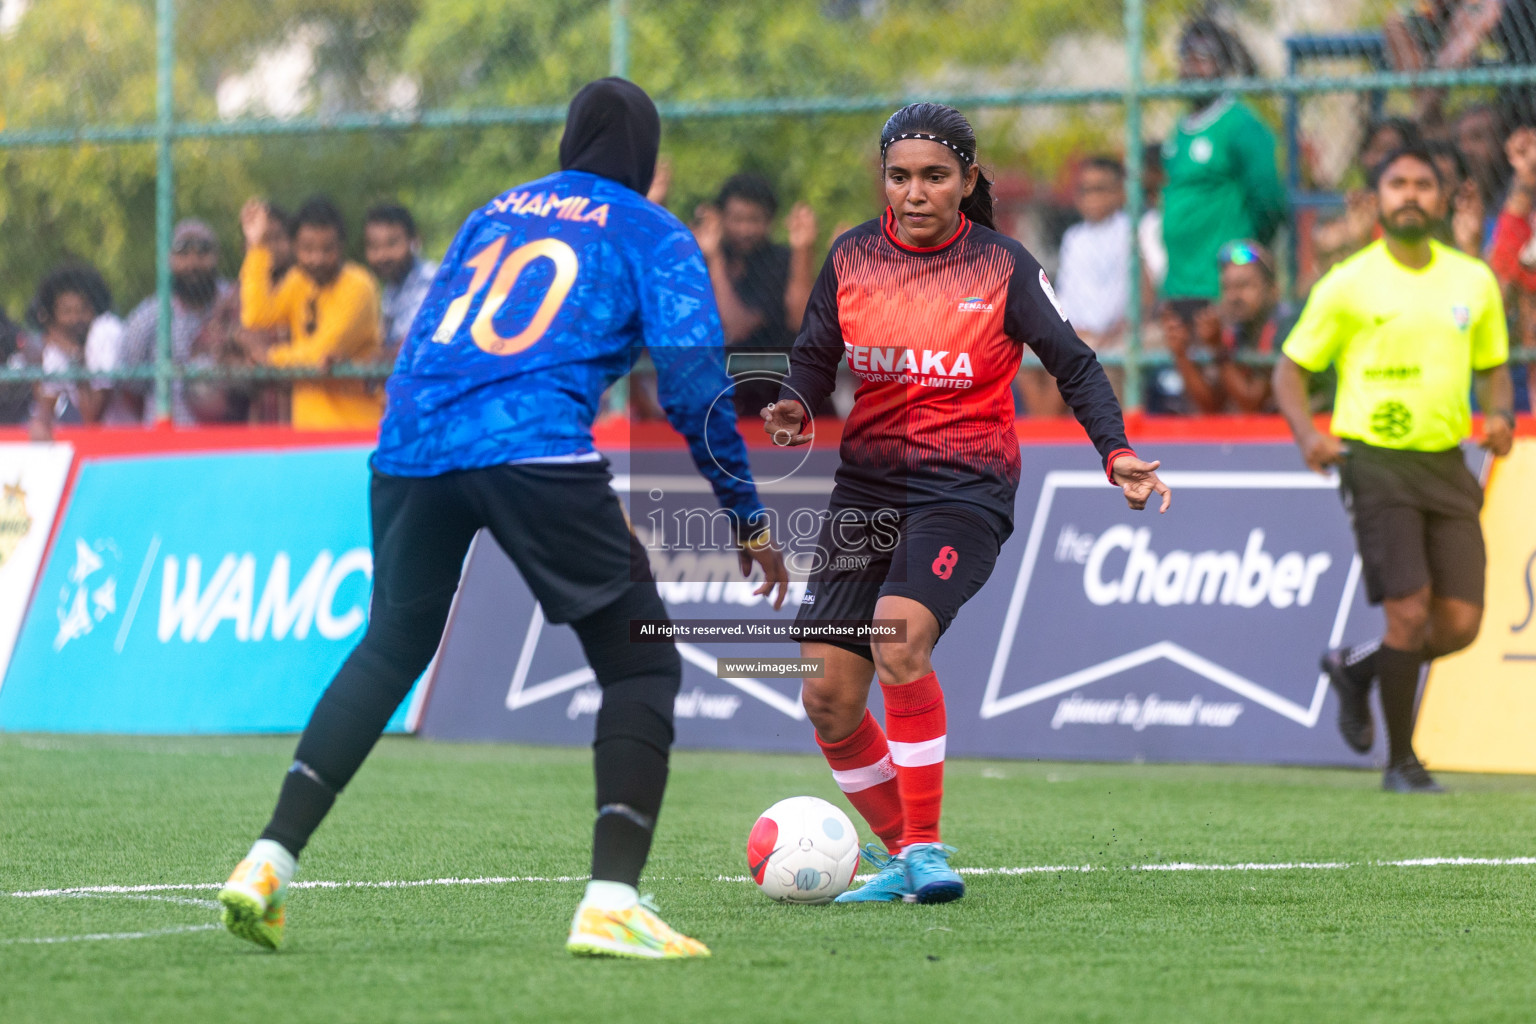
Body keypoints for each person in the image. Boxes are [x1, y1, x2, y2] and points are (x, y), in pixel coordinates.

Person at [216, 78, 789, 961]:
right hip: (531, 447)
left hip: (409, 444)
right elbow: (694, 390)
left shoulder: (495, 213)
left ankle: (266, 862)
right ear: (643, 153)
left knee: (390, 647)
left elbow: (429, 336)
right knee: (641, 666)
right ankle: (610, 902)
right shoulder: (652, 231)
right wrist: (748, 519)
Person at [761, 102, 1170, 904]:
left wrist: (1116, 452)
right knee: (827, 698)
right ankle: (902, 859)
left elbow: (1076, 365)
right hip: (865, 492)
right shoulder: (849, 257)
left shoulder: (1005, 267)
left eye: (935, 176)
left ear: (968, 181)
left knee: (898, 639)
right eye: (900, 176)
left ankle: (926, 847)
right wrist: (793, 401)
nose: (915, 192)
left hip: (964, 489)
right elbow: (814, 355)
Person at [1273, 142, 1515, 793]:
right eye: (1398, 183)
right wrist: (1306, 434)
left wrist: (1500, 416)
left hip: (1446, 461)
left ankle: (1356, 668)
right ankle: (1402, 762)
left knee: (1459, 624)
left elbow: (1494, 370)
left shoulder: (1474, 281)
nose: (1411, 194)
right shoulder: (1349, 282)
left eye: (1423, 184)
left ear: (1446, 198)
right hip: (1374, 462)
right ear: (1377, 199)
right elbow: (1290, 370)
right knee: (1409, 612)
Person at [1160, 17, 1286, 320]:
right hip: (1177, 286)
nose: (1191, 68)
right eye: (1186, 59)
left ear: (1224, 65)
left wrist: (1244, 252)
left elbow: (1268, 199)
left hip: (1218, 289)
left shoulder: (1241, 123)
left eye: (1202, 60)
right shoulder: (1179, 127)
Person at [238, 195, 384, 429]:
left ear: (342, 247)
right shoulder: (298, 280)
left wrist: (269, 357)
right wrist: (257, 247)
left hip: (355, 429)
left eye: (328, 249)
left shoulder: (359, 286)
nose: (317, 258)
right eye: (308, 249)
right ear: (294, 246)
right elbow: (256, 316)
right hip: (308, 431)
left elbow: (322, 354)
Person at [692, 173, 818, 417]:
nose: (745, 230)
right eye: (737, 219)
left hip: (777, 388)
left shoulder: (778, 260)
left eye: (755, 220)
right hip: (717, 390)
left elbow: (739, 326)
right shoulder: (699, 260)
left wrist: (804, 252)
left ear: (770, 221)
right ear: (720, 219)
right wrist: (713, 257)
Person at [1020, 156, 1131, 415]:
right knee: (1020, 355)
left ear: (1119, 193)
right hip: (1076, 330)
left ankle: (1046, 438)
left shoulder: (1130, 231)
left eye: (1099, 189)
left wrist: (1111, 331)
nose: (1090, 197)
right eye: (1084, 190)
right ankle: (1044, 435)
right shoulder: (1074, 237)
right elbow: (1064, 297)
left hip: (1113, 334)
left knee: (1062, 361)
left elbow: (1142, 294)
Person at [120, 219, 241, 424]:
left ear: (217, 256)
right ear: (167, 259)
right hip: (169, 439)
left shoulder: (235, 304)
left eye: (203, 252)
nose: (193, 263)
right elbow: (131, 387)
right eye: (183, 253)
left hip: (228, 439)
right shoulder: (149, 317)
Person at [1162, 239, 1292, 414]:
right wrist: (1180, 354)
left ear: (1272, 289)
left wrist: (1218, 349)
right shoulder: (1234, 327)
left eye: (1244, 285)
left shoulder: (1285, 325)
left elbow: (1252, 402)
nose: (1234, 296)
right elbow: (1212, 404)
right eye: (1227, 288)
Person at [26, 265, 124, 437]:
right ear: (53, 316)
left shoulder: (106, 331)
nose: (75, 319)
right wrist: (41, 424)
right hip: (93, 439)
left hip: (125, 434)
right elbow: (46, 405)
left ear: (95, 308)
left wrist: (74, 357)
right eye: (66, 312)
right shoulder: (61, 346)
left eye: (82, 310)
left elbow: (92, 414)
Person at [363, 202, 438, 361]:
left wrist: (366, 361)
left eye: (392, 244)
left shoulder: (429, 280)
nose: (382, 255)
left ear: (414, 241)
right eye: (374, 247)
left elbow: (412, 345)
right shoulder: (392, 287)